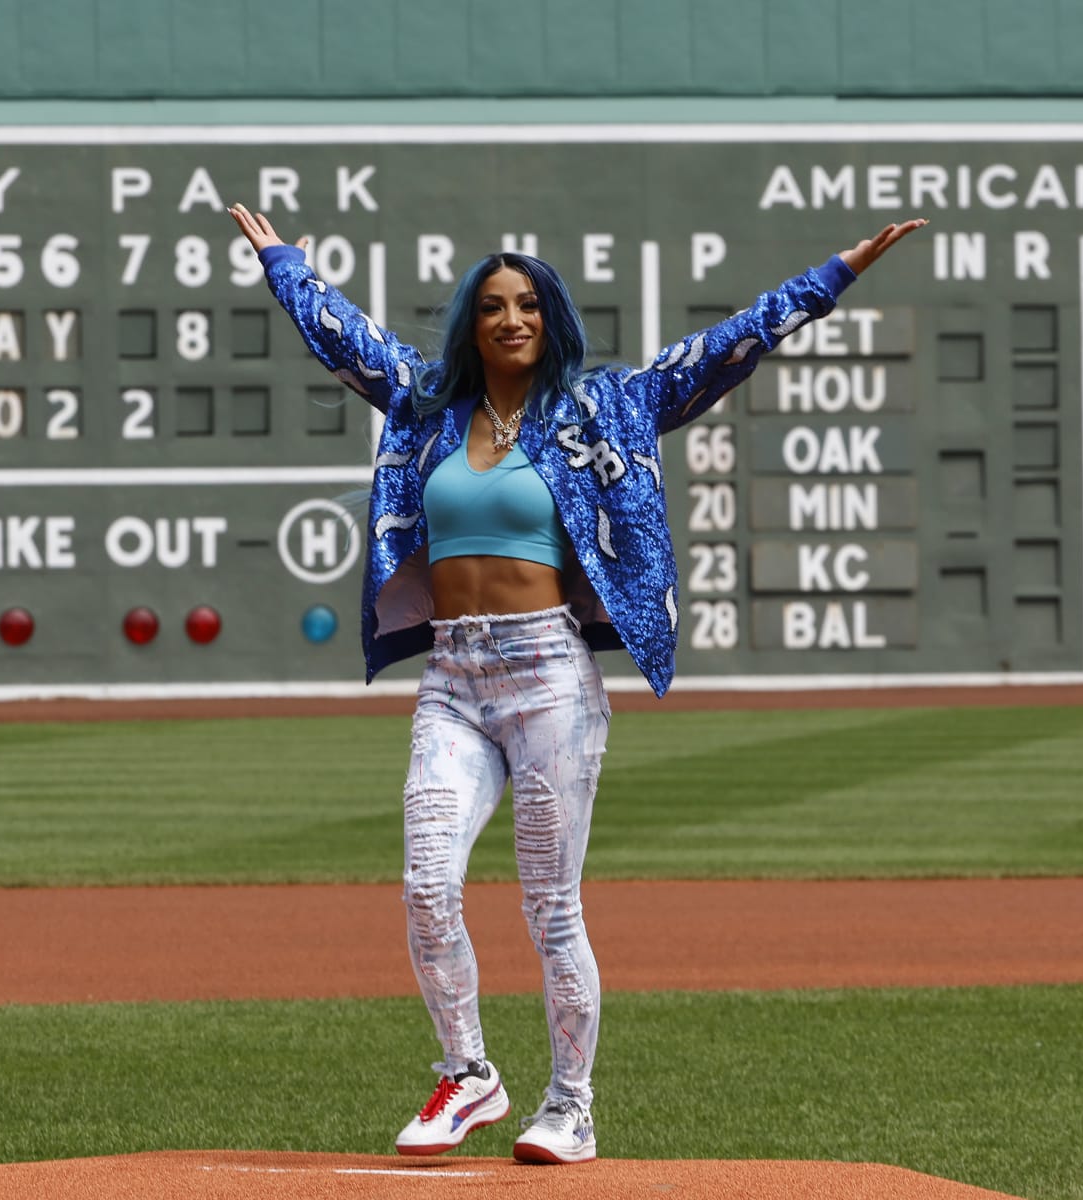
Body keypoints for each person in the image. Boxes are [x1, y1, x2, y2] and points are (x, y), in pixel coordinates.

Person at [230, 202, 923, 1165]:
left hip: (548, 672)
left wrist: (835, 274)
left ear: (549, 318)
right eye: (491, 306)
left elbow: (724, 347)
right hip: (454, 677)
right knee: (426, 885)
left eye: (526, 304)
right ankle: (468, 1075)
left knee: (551, 906)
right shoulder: (427, 406)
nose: (510, 318)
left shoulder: (601, 407)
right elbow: (340, 334)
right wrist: (284, 266)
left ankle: (570, 1105)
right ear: (471, 325)